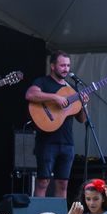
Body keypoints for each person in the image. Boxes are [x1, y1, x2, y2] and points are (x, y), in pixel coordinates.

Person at [24, 50, 87, 198]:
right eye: (62, 65)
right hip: (47, 141)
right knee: (43, 181)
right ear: (53, 66)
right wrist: (55, 98)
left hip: (67, 142)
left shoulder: (72, 89)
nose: (66, 68)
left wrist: (84, 105)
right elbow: (30, 94)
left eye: (68, 65)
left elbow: (82, 119)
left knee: (63, 183)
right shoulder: (42, 82)